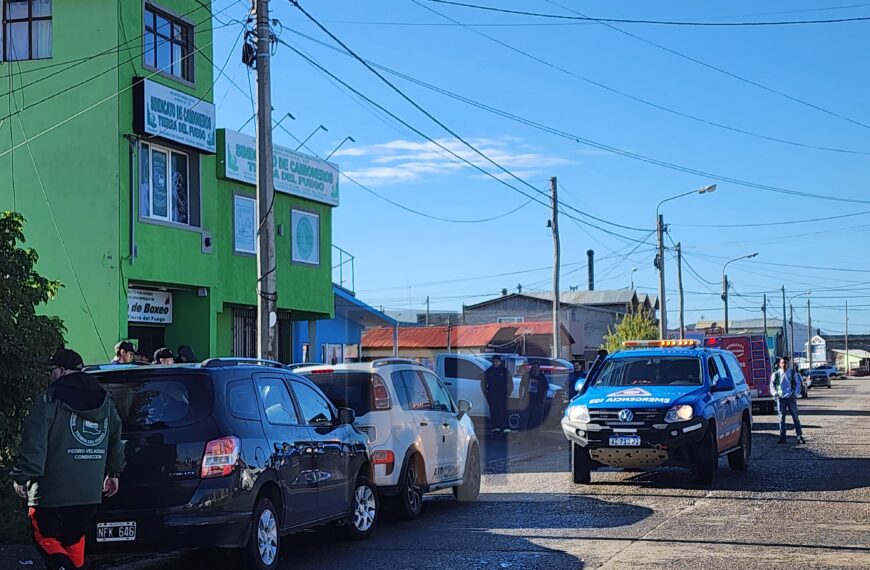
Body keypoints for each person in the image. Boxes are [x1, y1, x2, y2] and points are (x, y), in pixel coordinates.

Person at [11, 348, 125, 570]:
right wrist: (114, 473)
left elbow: (35, 442)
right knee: (73, 541)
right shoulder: (105, 399)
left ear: (62, 371)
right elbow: (116, 439)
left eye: (51, 371)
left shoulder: (49, 398)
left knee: (44, 538)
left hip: (51, 493)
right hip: (90, 493)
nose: (48, 376)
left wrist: (23, 476)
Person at [770, 356, 805, 444]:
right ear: (779, 364)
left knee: (795, 417)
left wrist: (795, 394)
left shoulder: (793, 373)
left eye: (785, 363)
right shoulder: (776, 374)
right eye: (782, 363)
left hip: (790, 398)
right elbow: (772, 385)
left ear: (788, 363)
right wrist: (775, 393)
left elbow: (798, 384)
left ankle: (799, 436)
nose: (784, 364)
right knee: (781, 418)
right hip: (781, 398)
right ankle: (782, 437)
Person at [482, 355, 512, 434]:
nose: (495, 363)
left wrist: (508, 393)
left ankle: (504, 428)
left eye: (496, 361)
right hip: (492, 395)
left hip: (502, 395)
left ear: (500, 362)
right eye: (493, 361)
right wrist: (486, 394)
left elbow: (510, 383)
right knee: (494, 412)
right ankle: (496, 428)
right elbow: (483, 383)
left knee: (503, 411)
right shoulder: (489, 371)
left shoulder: (504, 371)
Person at [520, 361, 549, 433]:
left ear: (538, 368)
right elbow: (521, 387)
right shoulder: (527, 375)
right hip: (527, 401)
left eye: (536, 367)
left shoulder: (542, 377)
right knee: (525, 421)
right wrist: (520, 398)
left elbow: (546, 389)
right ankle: (524, 438)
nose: (534, 369)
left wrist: (543, 400)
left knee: (537, 421)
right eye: (533, 367)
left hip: (538, 402)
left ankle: (535, 439)